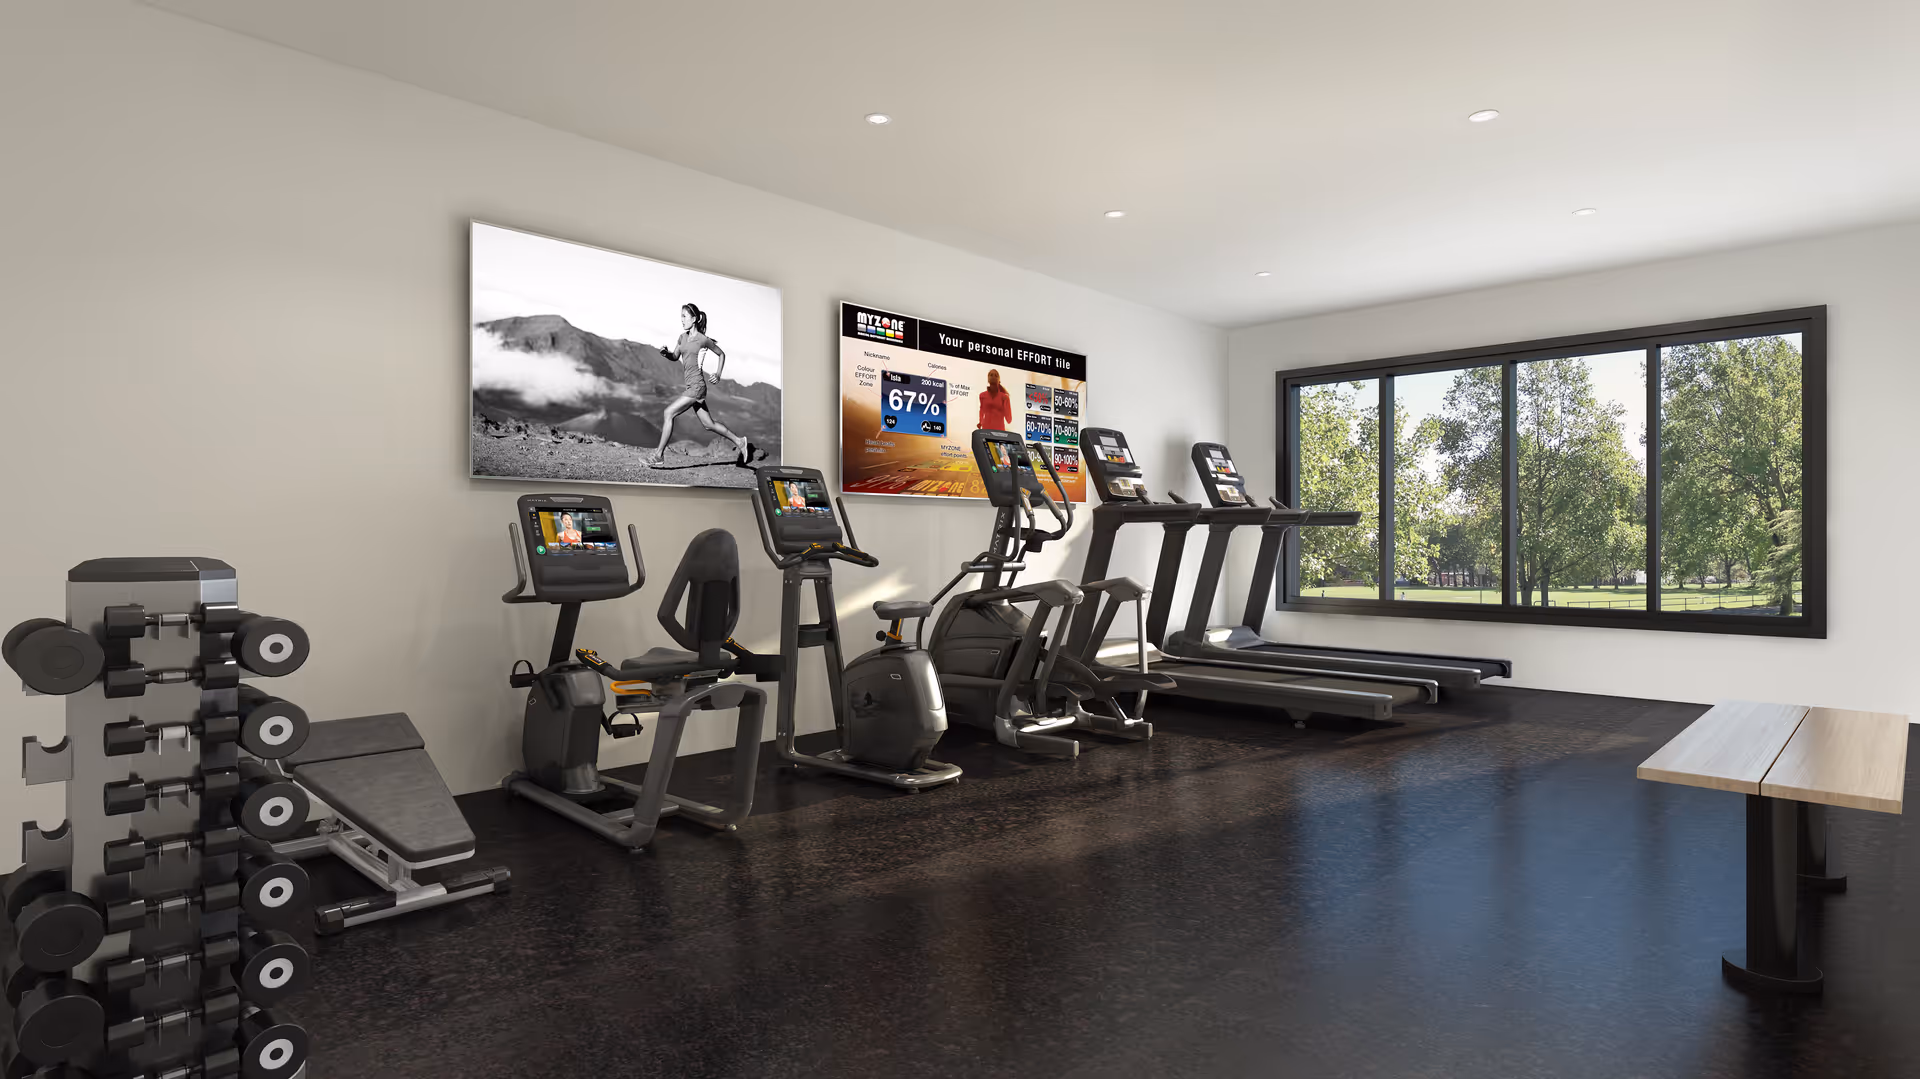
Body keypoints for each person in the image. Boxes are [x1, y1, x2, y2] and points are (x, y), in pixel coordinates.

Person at [646, 303, 755, 466]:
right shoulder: (682, 337)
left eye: (684, 316)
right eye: (680, 316)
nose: (681, 320)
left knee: (668, 413)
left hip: (697, 386)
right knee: (708, 424)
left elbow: (721, 354)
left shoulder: (703, 340)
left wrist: (718, 374)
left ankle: (658, 455)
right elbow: (675, 356)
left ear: (694, 319)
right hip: (691, 387)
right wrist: (666, 353)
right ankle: (740, 441)